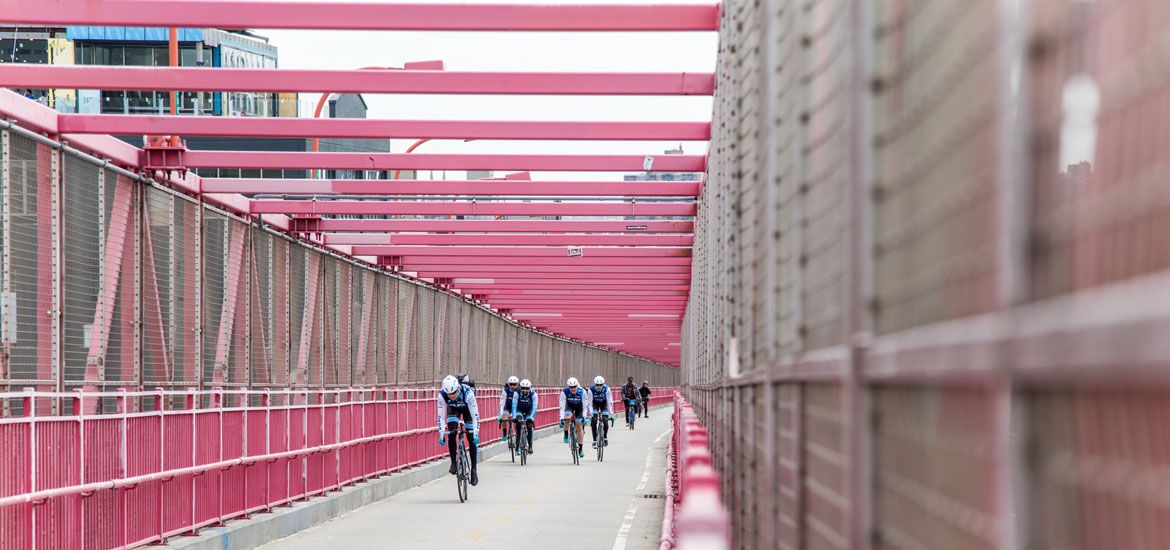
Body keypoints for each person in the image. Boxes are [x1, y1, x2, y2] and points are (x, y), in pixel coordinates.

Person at [437, 374, 480, 486]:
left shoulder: (468, 393)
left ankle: (474, 470)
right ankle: (453, 463)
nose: (451, 396)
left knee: (471, 438)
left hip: (468, 411)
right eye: (449, 394)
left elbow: (475, 416)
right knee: (452, 433)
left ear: (458, 388)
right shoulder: (442, 396)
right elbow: (441, 417)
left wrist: (476, 433)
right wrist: (441, 434)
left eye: (454, 393)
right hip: (453, 410)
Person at [559, 377, 590, 459]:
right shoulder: (564, 392)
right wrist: (561, 418)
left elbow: (585, 406)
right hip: (569, 407)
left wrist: (584, 417)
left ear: (577, 386)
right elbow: (562, 407)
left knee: (579, 426)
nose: (573, 389)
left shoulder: (582, 391)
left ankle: (580, 449)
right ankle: (566, 434)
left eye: (574, 387)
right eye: (571, 387)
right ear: (568, 387)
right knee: (567, 417)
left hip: (579, 408)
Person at [510, 379, 538, 455]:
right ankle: (518, 446)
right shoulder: (517, 393)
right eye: (523, 388)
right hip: (519, 410)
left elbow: (535, 406)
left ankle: (530, 446)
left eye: (527, 388)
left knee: (529, 426)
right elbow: (514, 405)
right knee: (518, 425)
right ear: (520, 388)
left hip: (529, 410)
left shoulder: (533, 394)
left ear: (529, 388)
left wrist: (531, 417)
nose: (525, 390)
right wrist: (514, 416)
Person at [589, 376, 614, 449]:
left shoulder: (607, 389)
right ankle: (594, 440)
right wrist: (591, 413)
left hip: (604, 404)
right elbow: (590, 403)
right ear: (595, 384)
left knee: (605, 422)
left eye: (601, 385)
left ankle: (605, 437)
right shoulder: (591, 390)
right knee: (594, 422)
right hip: (595, 405)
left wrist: (612, 414)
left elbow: (609, 402)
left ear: (603, 384)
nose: (599, 386)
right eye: (597, 385)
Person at [498, 376, 520, 442]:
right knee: (504, 418)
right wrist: (500, 415)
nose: (513, 386)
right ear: (508, 384)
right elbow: (502, 403)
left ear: (518, 384)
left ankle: (518, 435)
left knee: (518, 423)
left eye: (514, 384)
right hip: (508, 408)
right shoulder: (506, 391)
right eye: (511, 384)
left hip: (517, 409)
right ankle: (504, 433)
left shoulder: (520, 391)